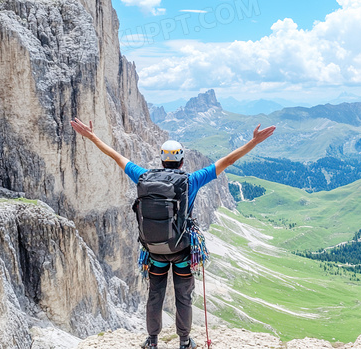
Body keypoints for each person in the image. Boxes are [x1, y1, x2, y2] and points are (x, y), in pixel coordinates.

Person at [70, 118, 276, 349]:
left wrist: (92, 136)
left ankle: (152, 340)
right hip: (181, 251)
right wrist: (253, 142)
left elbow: (117, 156)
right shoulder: (191, 180)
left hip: (154, 251)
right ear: (181, 161)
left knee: (155, 295)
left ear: (162, 159)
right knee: (183, 297)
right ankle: (185, 342)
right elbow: (228, 160)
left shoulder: (142, 176)